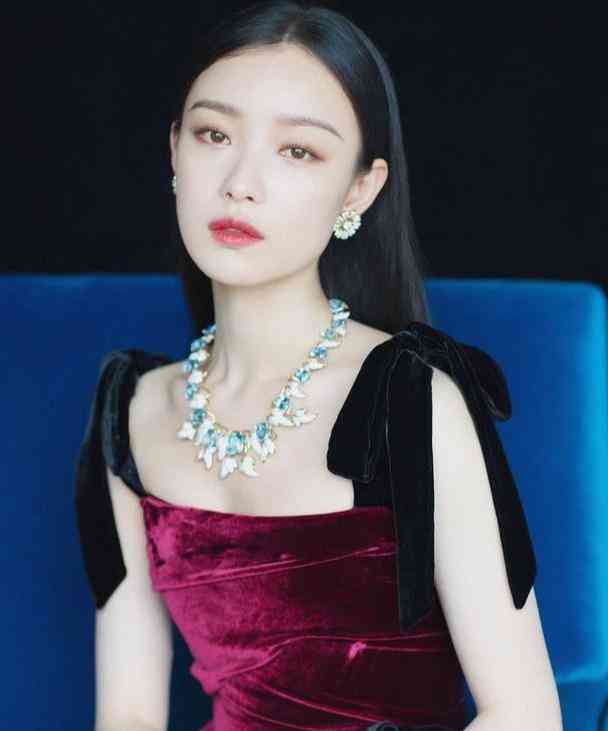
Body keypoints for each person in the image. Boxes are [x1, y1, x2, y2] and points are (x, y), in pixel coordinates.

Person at [73, 2, 562, 730]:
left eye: (297, 151)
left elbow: (525, 713)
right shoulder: (132, 412)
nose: (241, 182)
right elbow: (129, 717)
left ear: (360, 188)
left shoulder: (410, 399)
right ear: (175, 150)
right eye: (214, 134)